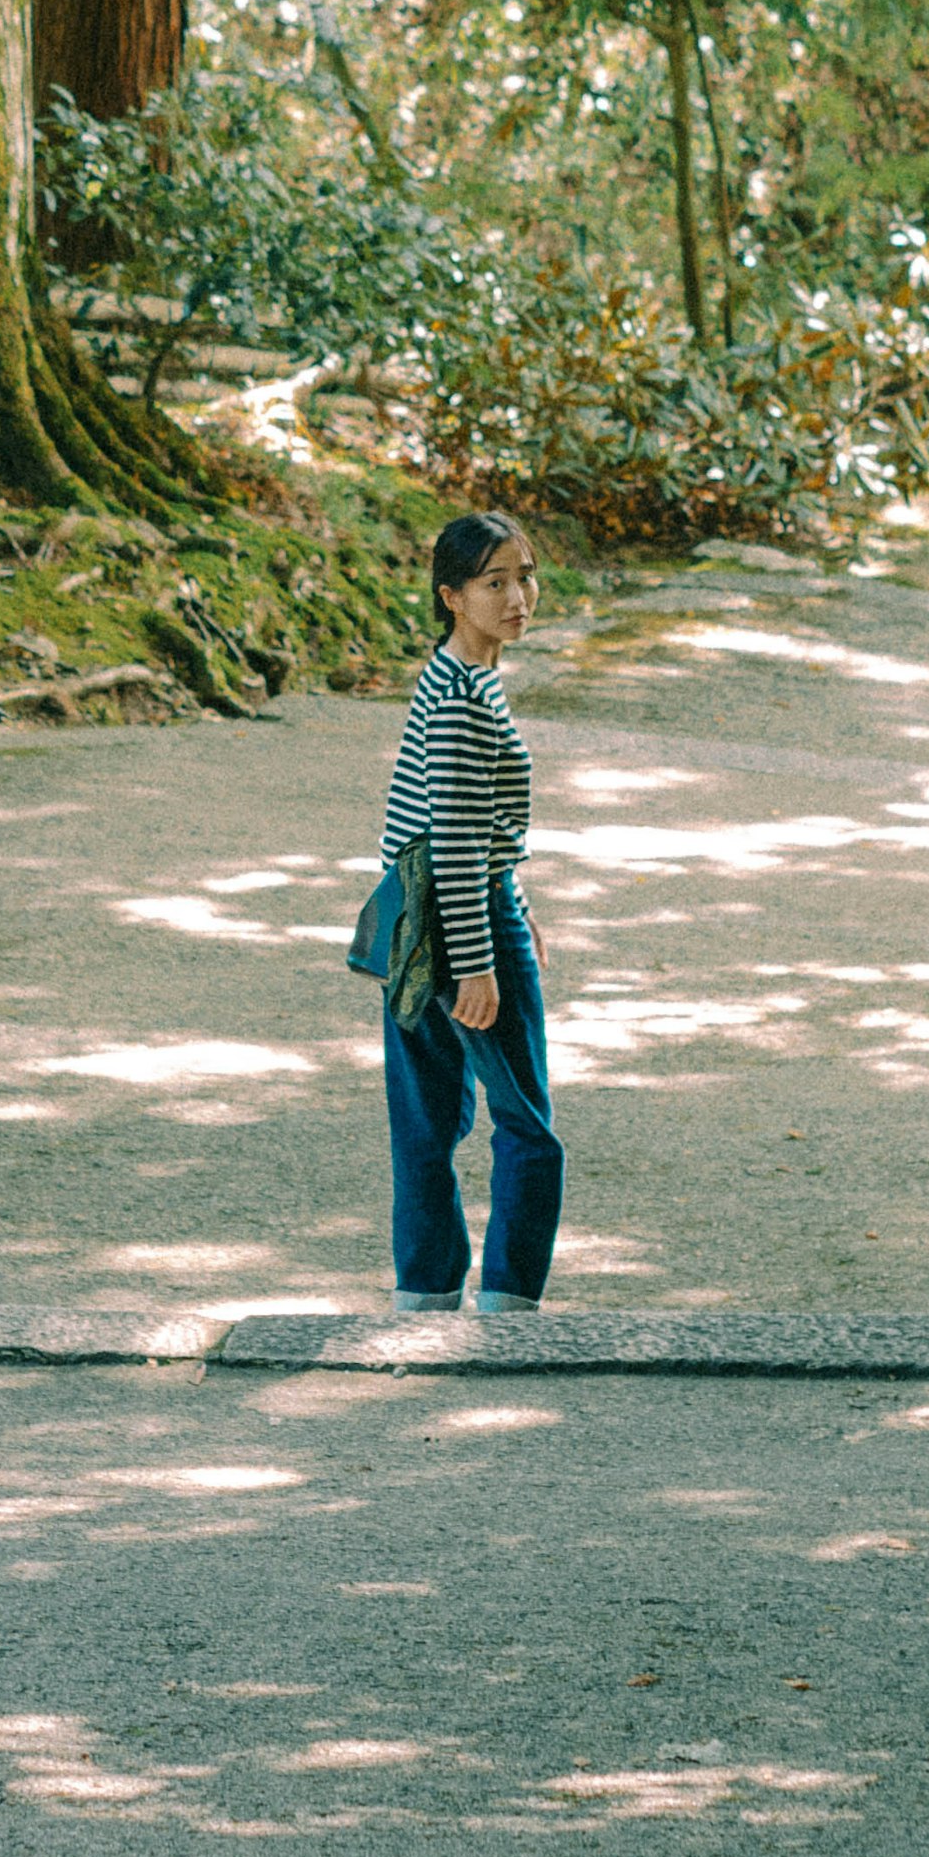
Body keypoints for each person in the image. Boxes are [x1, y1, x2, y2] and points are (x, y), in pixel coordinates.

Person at [376, 509, 562, 1306]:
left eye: (524, 576)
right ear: (452, 595)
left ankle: (424, 1299)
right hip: (462, 922)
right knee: (526, 1131)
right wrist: (482, 959)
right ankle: (509, 1308)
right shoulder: (461, 700)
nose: (518, 596)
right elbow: (453, 840)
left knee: (427, 1123)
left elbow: (448, 827)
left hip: (416, 924)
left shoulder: (454, 676)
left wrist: (516, 896)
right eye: (495, 583)